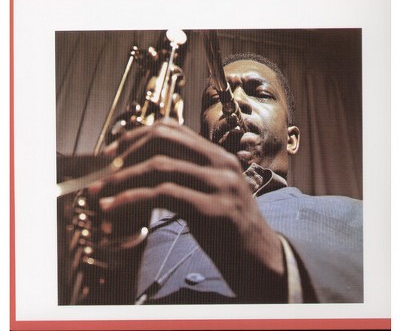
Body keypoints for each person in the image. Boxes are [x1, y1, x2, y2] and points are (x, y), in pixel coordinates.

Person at [76, 53, 362, 305]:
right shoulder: (147, 226)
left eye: (260, 93)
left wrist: (267, 254)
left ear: (292, 139)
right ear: (203, 133)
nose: (234, 102)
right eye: (215, 99)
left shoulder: (354, 214)